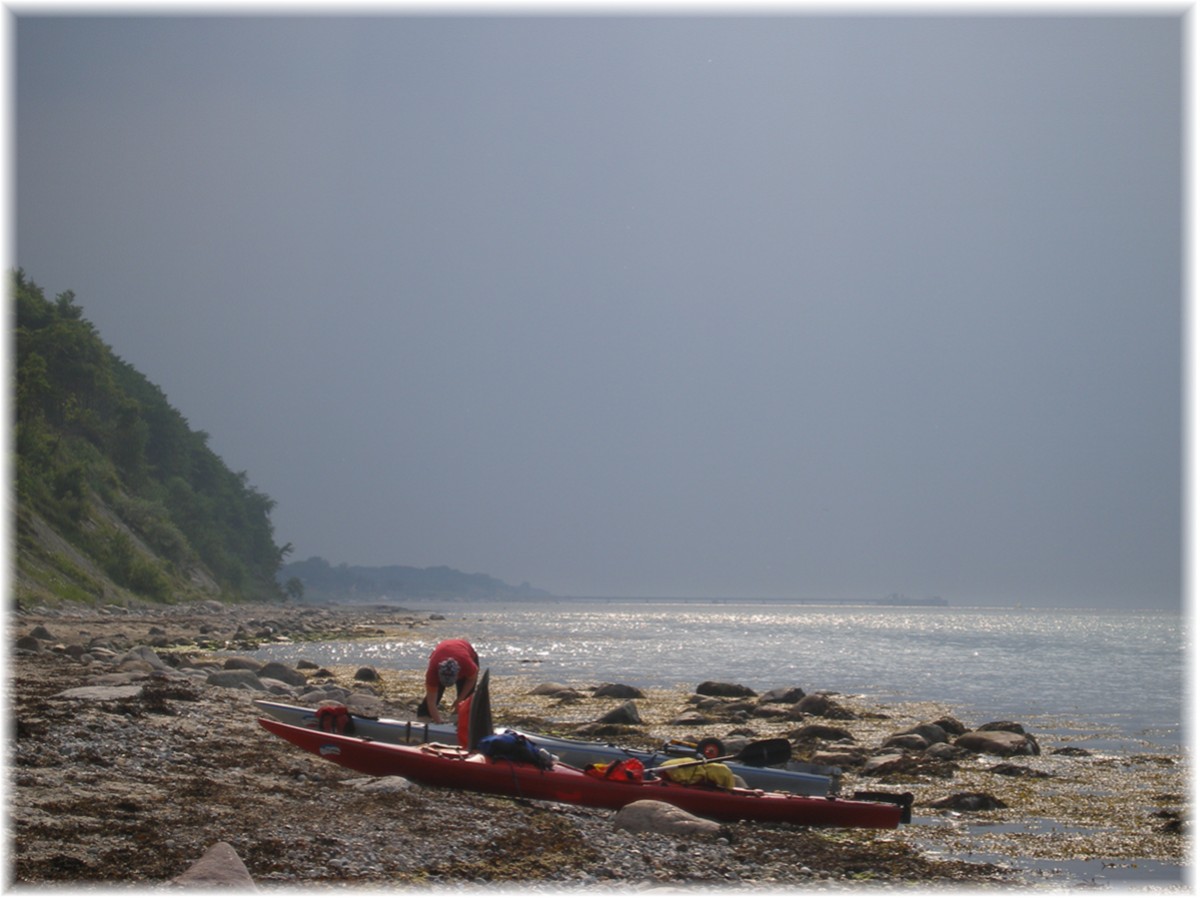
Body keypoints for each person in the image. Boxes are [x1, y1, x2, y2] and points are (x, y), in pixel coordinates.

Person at [417, 638, 479, 725]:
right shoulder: (433, 672)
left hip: (465, 651)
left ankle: (463, 719)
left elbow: (471, 680)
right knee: (436, 693)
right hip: (442, 652)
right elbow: (431, 701)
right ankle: (424, 716)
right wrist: (438, 721)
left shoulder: (468, 666)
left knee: (466, 698)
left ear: (459, 675)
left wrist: (460, 699)